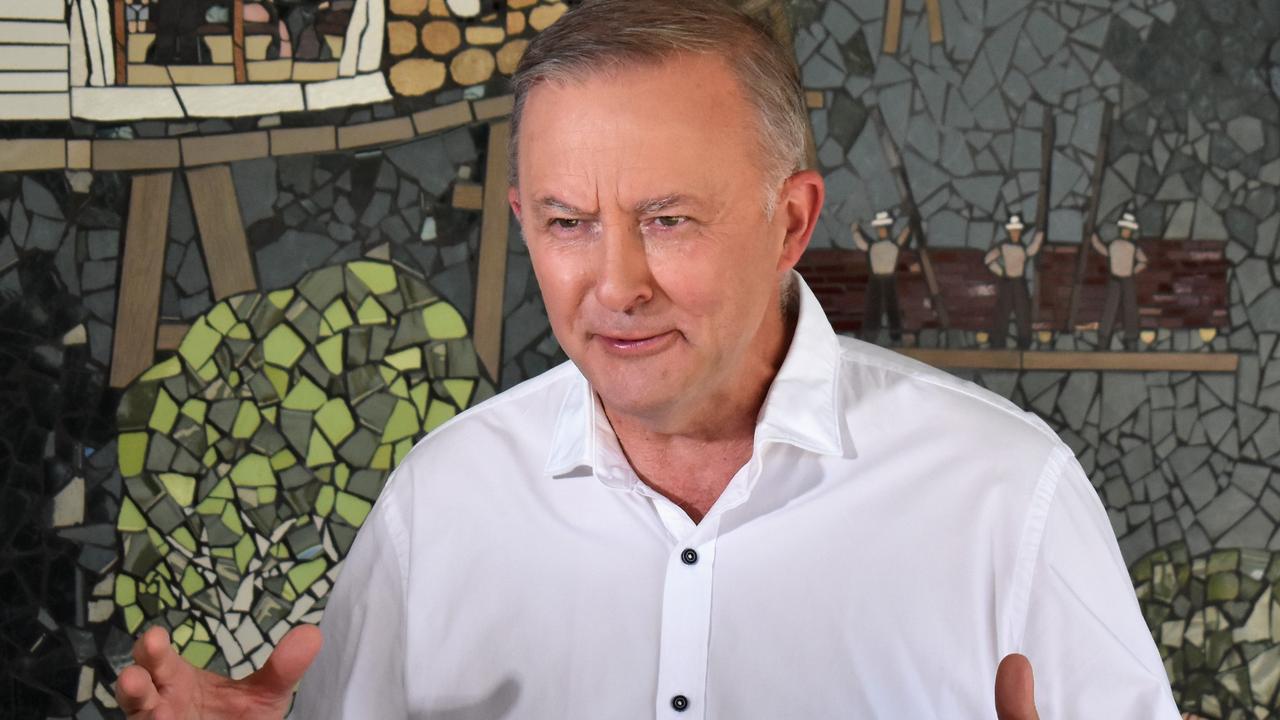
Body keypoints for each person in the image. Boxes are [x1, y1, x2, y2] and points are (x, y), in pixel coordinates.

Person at [115, 1, 1181, 718]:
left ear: (790, 221)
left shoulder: (1002, 493)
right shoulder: (440, 504)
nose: (614, 284)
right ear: (522, 217)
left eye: (666, 219)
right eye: (568, 223)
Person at [984, 213, 1044, 349]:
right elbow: (988, 259)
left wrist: (1039, 237)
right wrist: (1001, 272)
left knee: (1023, 313)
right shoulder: (1003, 246)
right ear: (1009, 231)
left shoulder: (1022, 247)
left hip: (1019, 283)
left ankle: (1024, 342)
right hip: (1007, 282)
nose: (1015, 233)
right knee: (1003, 312)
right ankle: (998, 342)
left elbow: (1032, 250)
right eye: (1013, 231)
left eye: (1017, 231)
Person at [1091, 211, 1149, 351]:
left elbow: (1143, 261)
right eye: (1124, 229)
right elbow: (1100, 248)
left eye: (1128, 230)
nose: (1126, 232)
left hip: (1127, 280)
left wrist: (1132, 272)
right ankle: (1103, 340)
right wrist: (1093, 237)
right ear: (1120, 229)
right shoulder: (1114, 245)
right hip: (1115, 280)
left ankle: (1131, 341)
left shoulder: (1134, 247)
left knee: (1130, 309)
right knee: (1110, 309)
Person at [851, 210, 909, 344]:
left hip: (889, 278)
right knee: (873, 306)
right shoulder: (873, 246)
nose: (881, 231)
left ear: (888, 230)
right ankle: (871, 334)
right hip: (875, 279)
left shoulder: (893, 245)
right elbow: (861, 243)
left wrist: (910, 225)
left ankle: (896, 334)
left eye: (883, 229)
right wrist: (855, 230)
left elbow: (903, 236)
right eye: (879, 229)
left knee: (892, 306)